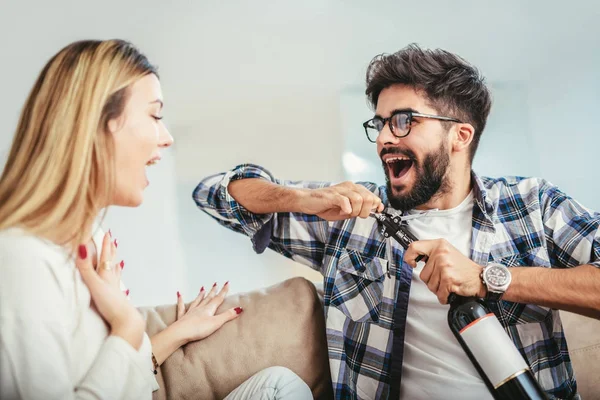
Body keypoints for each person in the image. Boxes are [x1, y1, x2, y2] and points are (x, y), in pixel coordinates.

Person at [192, 43, 600, 400]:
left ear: (459, 136)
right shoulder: (351, 217)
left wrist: (489, 278)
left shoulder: (531, 204)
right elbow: (215, 194)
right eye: (381, 123)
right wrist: (302, 198)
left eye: (404, 120)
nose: (385, 137)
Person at [0, 39, 312, 400]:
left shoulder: (87, 243)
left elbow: (110, 375)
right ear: (99, 123)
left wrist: (173, 334)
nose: (167, 138)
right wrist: (127, 326)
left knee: (280, 386)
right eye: (155, 115)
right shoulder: (22, 260)